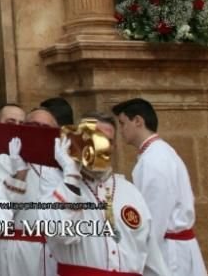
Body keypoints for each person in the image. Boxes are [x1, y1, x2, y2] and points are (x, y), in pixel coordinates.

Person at [40, 112, 169, 276]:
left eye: (107, 141)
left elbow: (151, 257)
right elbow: (62, 234)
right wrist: (71, 173)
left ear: (114, 147)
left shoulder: (130, 191)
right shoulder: (56, 187)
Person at [113, 98, 207, 276]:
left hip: (168, 254)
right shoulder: (159, 152)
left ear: (138, 121)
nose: (121, 130)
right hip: (174, 248)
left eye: (123, 123)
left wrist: (138, 256)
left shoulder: (154, 159)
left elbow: (154, 217)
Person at [0, 106, 63, 276]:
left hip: (55, 252)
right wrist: (19, 175)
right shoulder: (1, 162)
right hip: (14, 253)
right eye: (32, 126)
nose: (38, 133)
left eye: (45, 128)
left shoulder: (63, 169)